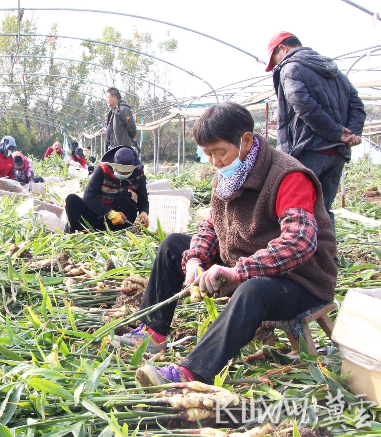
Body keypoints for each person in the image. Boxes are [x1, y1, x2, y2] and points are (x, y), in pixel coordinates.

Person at [128, 103, 337, 387]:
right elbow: (213, 225)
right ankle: (153, 334)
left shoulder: (288, 177)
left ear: (246, 141)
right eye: (208, 153)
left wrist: (237, 272)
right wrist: (195, 260)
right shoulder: (228, 174)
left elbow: (299, 241)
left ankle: (192, 373)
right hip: (246, 266)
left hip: (299, 281)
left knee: (255, 288)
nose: (214, 161)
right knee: (173, 245)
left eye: (219, 152)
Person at [266, 31, 365, 227]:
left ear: (282, 49)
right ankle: (329, 258)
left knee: (297, 211)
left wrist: (337, 132)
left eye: (274, 59)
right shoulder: (335, 72)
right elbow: (358, 107)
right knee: (323, 210)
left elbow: (303, 106)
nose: (276, 65)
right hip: (336, 154)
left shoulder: (290, 68)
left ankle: (303, 257)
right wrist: (350, 134)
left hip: (308, 150)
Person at [65, 146, 149, 233]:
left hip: (120, 221)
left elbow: (143, 199)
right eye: (121, 172)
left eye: (127, 173)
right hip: (98, 215)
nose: (124, 175)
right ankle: (79, 232)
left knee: (127, 194)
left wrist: (144, 213)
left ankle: (123, 232)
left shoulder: (138, 173)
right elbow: (88, 197)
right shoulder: (102, 169)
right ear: (114, 166)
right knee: (71, 199)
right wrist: (109, 213)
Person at [106, 87, 137, 152]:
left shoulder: (123, 110)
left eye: (108, 97)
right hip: (115, 148)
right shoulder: (113, 112)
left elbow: (132, 127)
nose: (107, 100)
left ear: (114, 97)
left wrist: (127, 139)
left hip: (124, 149)